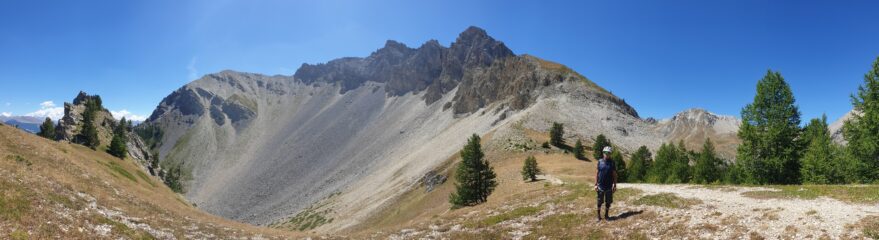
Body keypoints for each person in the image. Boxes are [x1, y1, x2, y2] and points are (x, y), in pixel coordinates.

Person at [594, 146, 617, 222]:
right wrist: (595, 184)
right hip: (600, 186)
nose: (607, 154)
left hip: (609, 186)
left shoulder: (612, 163)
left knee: (608, 202)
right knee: (599, 202)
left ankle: (606, 215)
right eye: (605, 153)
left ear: (610, 154)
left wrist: (615, 185)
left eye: (609, 153)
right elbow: (597, 173)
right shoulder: (599, 161)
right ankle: (598, 216)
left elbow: (614, 174)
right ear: (603, 153)